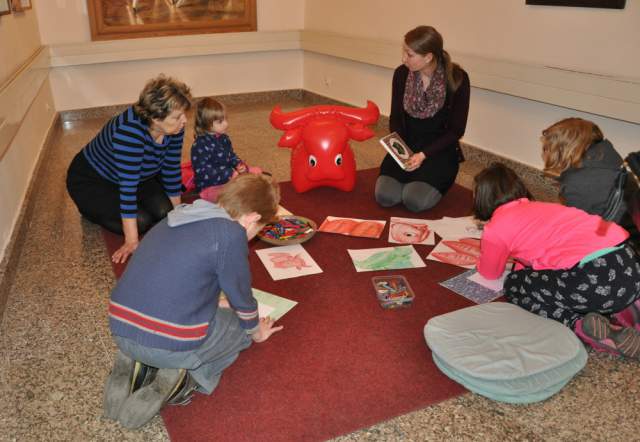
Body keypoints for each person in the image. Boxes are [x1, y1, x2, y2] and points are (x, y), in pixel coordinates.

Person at [103, 173, 284, 429]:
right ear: (252, 218)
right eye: (259, 229)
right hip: (168, 345)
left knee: (191, 317)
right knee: (239, 330)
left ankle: (134, 362)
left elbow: (177, 279)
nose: (254, 235)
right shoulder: (230, 234)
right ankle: (183, 380)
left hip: (122, 328)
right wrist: (257, 333)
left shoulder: (181, 215)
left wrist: (215, 303)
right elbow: (242, 299)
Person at [473, 163, 640, 359]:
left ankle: (582, 326)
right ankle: (627, 309)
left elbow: (490, 272)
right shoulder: (543, 207)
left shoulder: (495, 228)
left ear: (481, 198)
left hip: (595, 281)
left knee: (515, 285)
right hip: (630, 262)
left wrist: (486, 252)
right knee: (591, 283)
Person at [66, 74, 192, 264]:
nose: (185, 121)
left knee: (164, 212)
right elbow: (128, 187)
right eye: (177, 117)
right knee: (141, 222)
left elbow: (171, 168)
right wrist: (131, 240)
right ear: (155, 117)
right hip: (93, 180)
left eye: (183, 114)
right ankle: (90, 208)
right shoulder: (128, 132)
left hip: (139, 175)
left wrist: (178, 214)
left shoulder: (174, 127)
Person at [375, 25, 470, 212]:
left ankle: (431, 182)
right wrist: (401, 153)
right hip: (408, 146)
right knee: (385, 197)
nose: (404, 59)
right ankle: (412, 180)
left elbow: (456, 130)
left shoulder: (457, 78)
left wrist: (422, 155)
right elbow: (396, 119)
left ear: (428, 57)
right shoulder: (401, 74)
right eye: (404, 52)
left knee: (414, 201)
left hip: (437, 151)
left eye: (409, 54)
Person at [541, 117, 627, 223]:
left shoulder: (577, 182)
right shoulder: (607, 156)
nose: (545, 152)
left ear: (562, 149)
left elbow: (579, 226)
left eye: (547, 148)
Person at [190, 97, 261, 202]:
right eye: (220, 121)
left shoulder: (223, 138)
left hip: (227, 180)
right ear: (206, 123)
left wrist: (239, 165)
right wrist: (228, 173)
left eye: (225, 119)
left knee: (255, 175)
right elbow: (203, 172)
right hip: (209, 187)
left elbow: (231, 155)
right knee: (236, 194)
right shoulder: (199, 145)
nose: (226, 124)